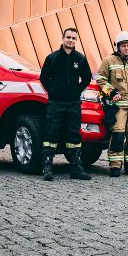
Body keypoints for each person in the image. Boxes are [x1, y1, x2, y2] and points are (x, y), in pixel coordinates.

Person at [39, 28, 93, 181]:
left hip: (73, 103)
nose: (71, 40)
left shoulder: (80, 58)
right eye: (68, 37)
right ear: (63, 38)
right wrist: (53, 92)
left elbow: (87, 78)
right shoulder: (52, 58)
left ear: (76, 41)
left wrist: (76, 91)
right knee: (51, 134)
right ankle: (47, 168)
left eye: (74, 38)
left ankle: (76, 169)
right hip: (55, 103)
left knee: (74, 136)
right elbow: (43, 78)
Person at [96, 31, 128, 177]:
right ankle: (115, 166)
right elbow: (100, 80)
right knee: (118, 135)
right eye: (123, 46)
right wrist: (112, 93)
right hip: (119, 106)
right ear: (117, 47)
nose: (126, 48)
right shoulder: (108, 61)